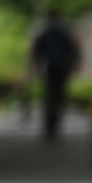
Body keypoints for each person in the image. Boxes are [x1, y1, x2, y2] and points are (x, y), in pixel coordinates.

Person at [32, 9, 79, 140]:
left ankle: (51, 127)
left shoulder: (50, 34)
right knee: (54, 98)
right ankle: (51, 126)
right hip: (56, 68)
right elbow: (72, 51)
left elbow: (37, 52)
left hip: (55, 68)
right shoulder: (59, 34)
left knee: (53, 98)